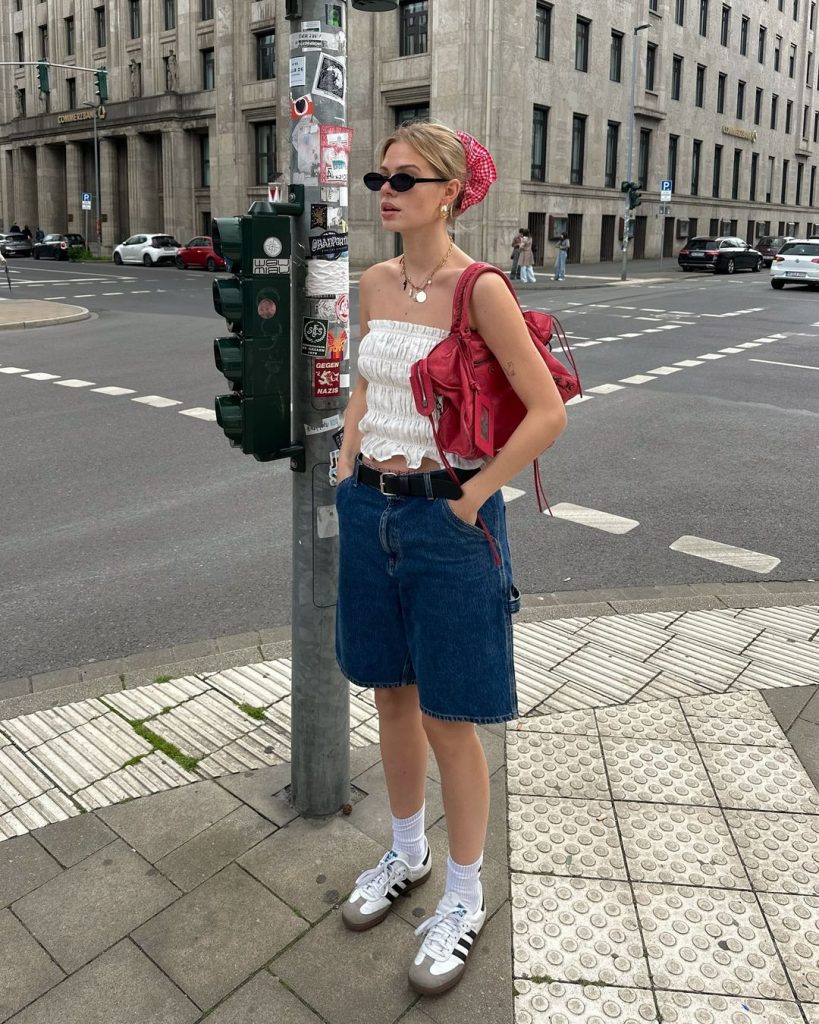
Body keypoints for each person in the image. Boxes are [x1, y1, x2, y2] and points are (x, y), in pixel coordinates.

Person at [335, 121, 567, 997]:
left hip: (447, 523)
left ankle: (464, 898)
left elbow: (546, 413)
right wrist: (348, 456)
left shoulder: (480, 289)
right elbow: (367, 378)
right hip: (370, 512)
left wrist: (471, 498)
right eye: (377, 176)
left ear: (450, 191)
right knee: (389, 695)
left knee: (448, 718)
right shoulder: (374, 281)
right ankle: (404, 853)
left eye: (403, 176)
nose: (384, 189)